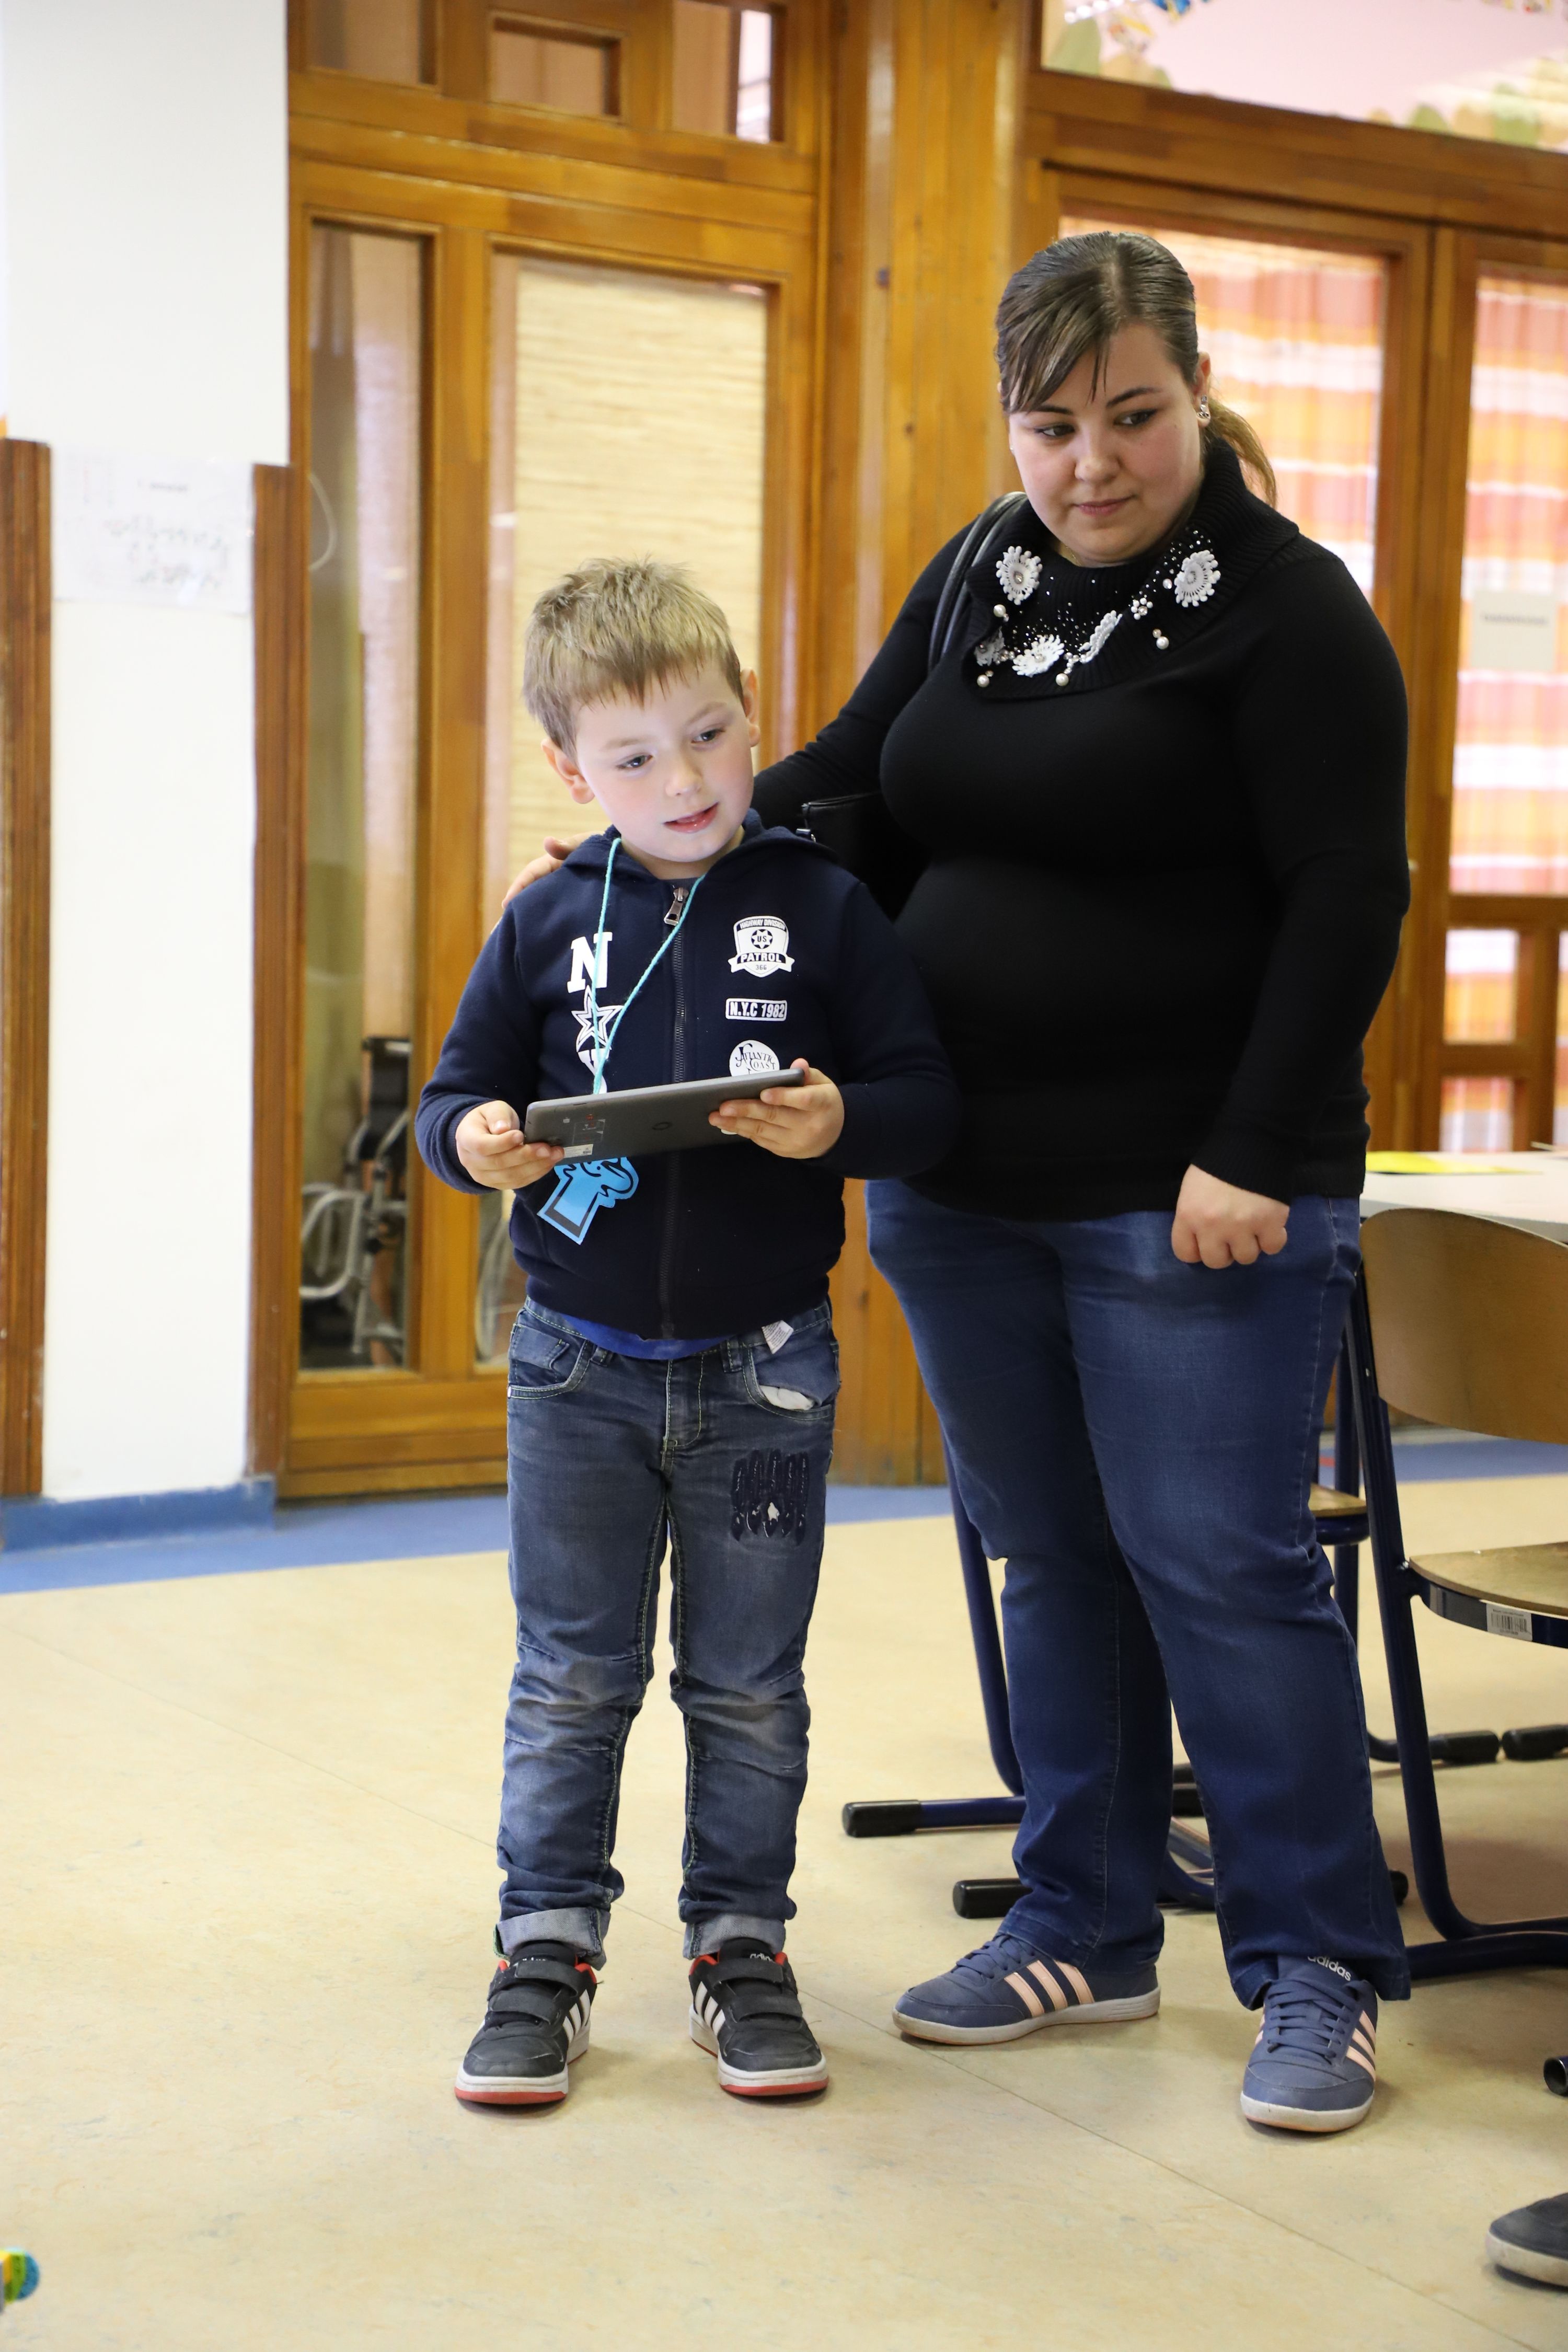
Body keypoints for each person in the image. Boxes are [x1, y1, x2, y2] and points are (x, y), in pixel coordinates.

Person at [747, 230, 1413, 2132]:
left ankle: (1316, 1963)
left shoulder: (1293, 613)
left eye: (1131, 415)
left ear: (1197, 393)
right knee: (1048, 1552)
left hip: (1189, 1190)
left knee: (1224, 1567)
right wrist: (685, 845)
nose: (1090, 463)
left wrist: (1255, 1148)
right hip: (963, 1174)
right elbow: (855, 780)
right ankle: (1086, 1922)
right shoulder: (984, 568)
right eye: (1049, 426)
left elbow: (1347, 899)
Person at [416, 558, 959, 2106]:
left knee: (747, 1682)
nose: (686, 781)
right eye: (636, 756)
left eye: (711, 735)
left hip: (767, 1379)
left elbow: (924, 1100)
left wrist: (840, 1122)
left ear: (752, 716)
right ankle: (544, 1951)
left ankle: (742, 1949)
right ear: (569, 769)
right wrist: (479, 1145)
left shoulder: (824, 905)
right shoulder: (545, 918)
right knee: (571, 1676)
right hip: (573, 1371)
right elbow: (451, 1101)